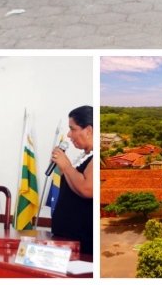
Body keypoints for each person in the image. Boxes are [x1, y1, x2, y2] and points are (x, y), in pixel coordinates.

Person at [50, 106, 93, 254]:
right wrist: (62, 167)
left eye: (72, 129)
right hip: (66, 237)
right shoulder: (83, 157)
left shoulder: (96, 158)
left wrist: (66, 165)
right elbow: (73, 186)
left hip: (83, 241)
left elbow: (87, 189)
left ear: (88, 130)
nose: (69, 135)